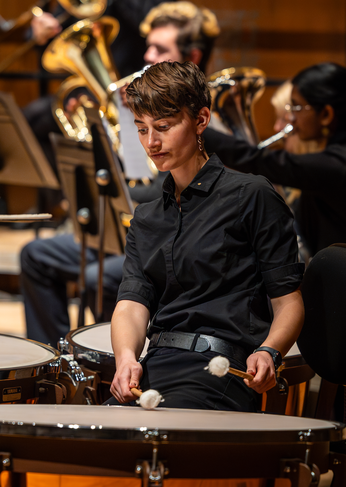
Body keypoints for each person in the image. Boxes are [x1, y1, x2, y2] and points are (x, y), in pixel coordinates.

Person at [107, 61, 304, 411]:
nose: (151, 142)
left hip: (220, 372)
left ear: (201, 119)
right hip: (156, 365)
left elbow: (288, 302)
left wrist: (268, 350)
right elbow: (132, 304)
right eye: (141, 129)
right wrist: (125, 359)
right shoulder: (147, 217)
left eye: (163, 127)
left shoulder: (252, 195)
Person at [21, 2, 220, 346]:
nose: (147, 55)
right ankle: (55, 359)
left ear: (193, 58)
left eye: (160, 49)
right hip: (124, 229)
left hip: (165, 240)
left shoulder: (203, 121)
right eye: (148, 46)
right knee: (35, 255)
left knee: (98, 276)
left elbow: (161, 190)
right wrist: (99, 134)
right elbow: (129, 175)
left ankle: (108, 362)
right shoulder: (137, 110)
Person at [206, 62, 346, 260]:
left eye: (297, 107)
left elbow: (257, 160)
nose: (291, 117)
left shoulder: (335, 166)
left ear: (326, 114)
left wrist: (196, 128)